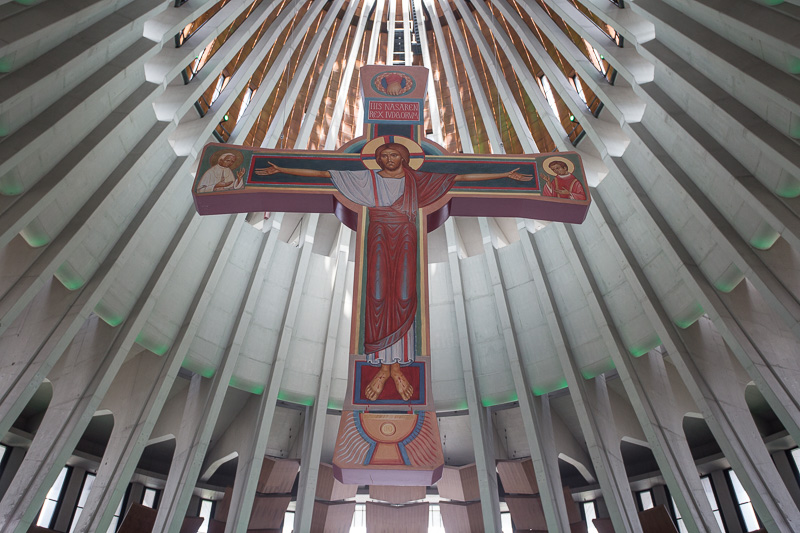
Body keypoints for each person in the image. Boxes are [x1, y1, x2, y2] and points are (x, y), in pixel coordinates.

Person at [255, 143, 532, 401]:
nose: (389, 159)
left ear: (404, 158)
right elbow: (322, 173)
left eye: (394, 155)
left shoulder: (418, 181)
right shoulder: (367, 180)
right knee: (376, 295)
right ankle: (384, 367)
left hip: (406, 237)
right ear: (377, 159)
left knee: (404, 294)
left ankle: (395, 367)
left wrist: (504, 173)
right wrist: (281, 169)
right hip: (378, 236)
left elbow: (460, 178)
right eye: (384, 156)